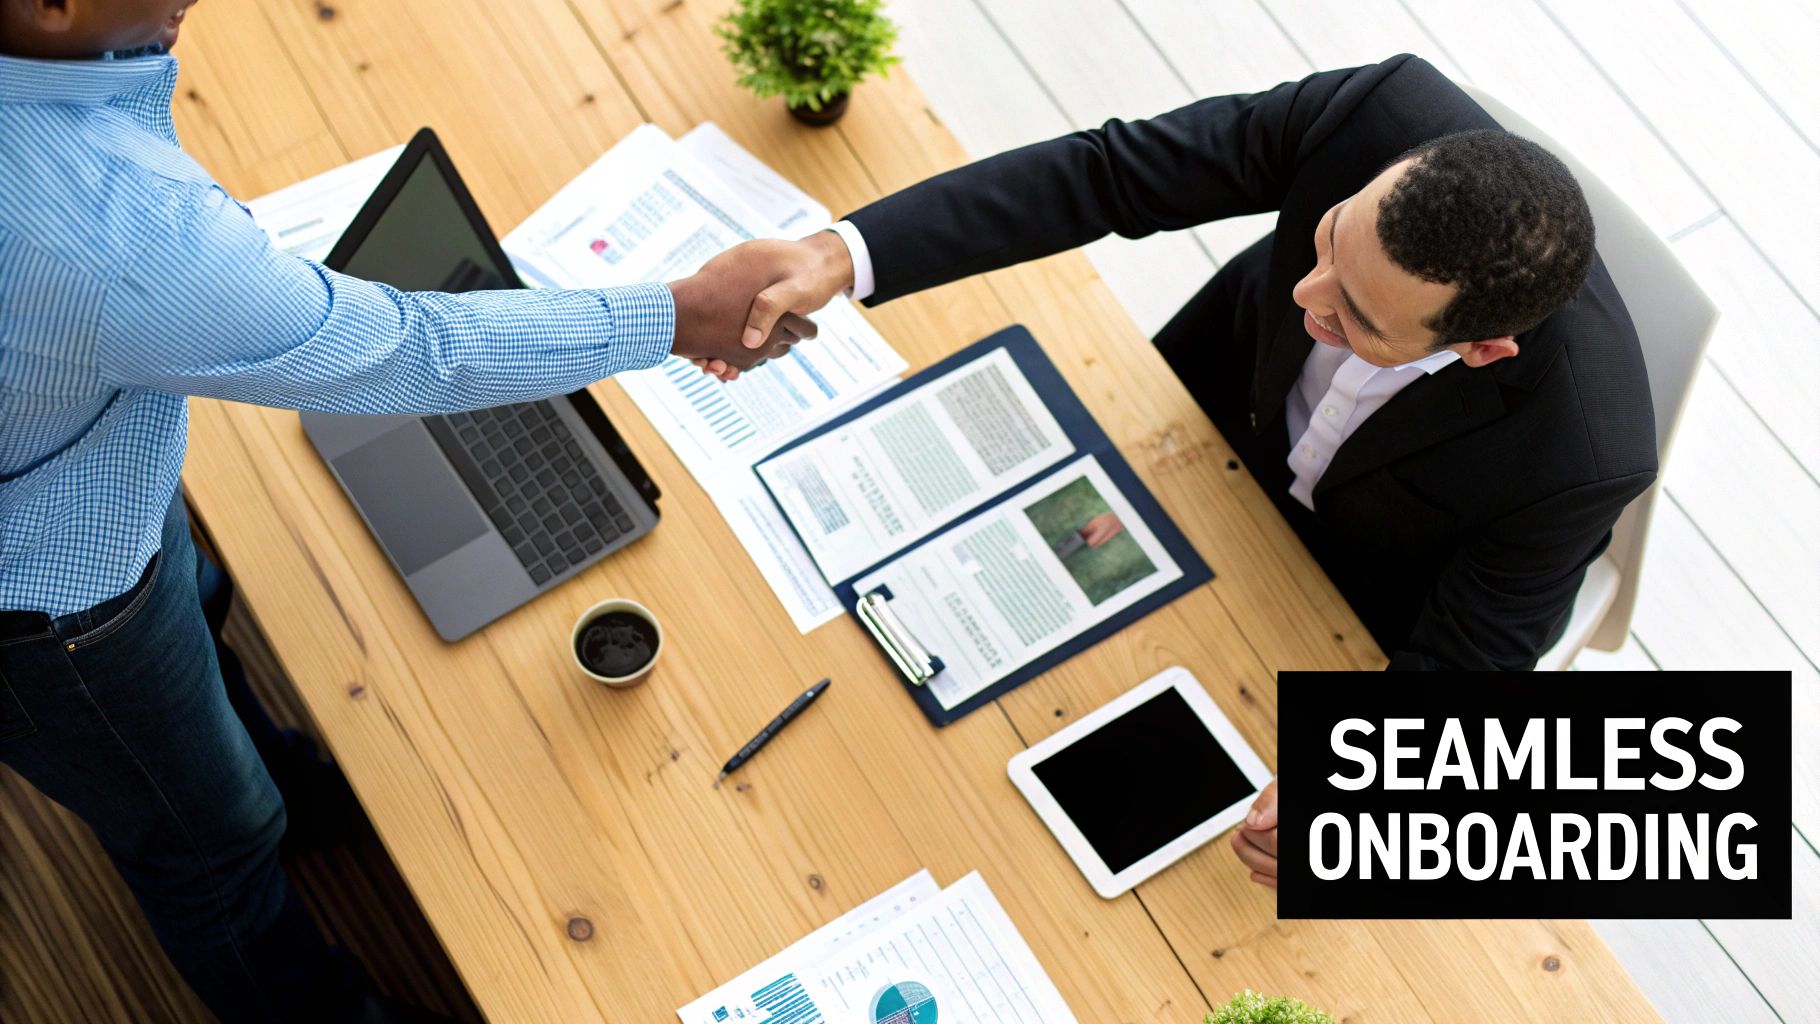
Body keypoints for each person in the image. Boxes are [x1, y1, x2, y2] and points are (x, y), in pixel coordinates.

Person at [0, 2, 813, 1021]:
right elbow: (412, 351)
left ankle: (276, 779)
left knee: (199, 613)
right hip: (58, 613)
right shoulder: (111, 227)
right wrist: (675, 313)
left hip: (77, 482)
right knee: (210, 850)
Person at [706, 54, 1657, 674]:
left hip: (1337, 591)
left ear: (1483, 350)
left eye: (1357, 316)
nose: (1306, 294)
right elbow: (1105, 174)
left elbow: (1477, 653)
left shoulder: (1587, 451)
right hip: (1206, 396)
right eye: (1327, 240)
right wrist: (840, 255)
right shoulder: (1374, 114)